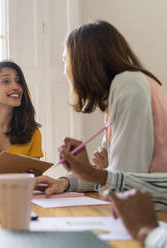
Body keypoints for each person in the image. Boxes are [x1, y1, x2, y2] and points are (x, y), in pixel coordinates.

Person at [34, 20, 167, 194]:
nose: (65, 70)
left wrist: (106, 172)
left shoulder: (128, 86)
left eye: (65, 60)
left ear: (84, 61)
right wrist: (64, 183)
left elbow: (122, 184)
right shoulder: (120, 92)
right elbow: (112, 175)